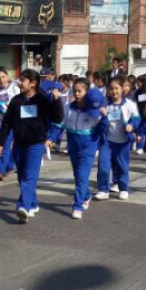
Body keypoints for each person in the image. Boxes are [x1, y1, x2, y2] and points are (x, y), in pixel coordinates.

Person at [0, 69, 63, 224]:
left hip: (36, 144)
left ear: (32, 83)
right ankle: (33, 203)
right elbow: (7, 123)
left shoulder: (43, 99)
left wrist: (57, 100)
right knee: (21, 177)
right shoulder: (16, 100)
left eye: (23, 80)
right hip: (19, 144)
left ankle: (23, 207)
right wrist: (0, 142)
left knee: (29, 176)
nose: (19, 83)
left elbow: (57, 117)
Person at [48, 80, 106, 219]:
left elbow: (101, 129)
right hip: (73, 148)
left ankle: (77, 206)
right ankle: (86, 195)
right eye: (75, 91)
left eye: (80, 91)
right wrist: (51, 138)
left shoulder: (94, 109)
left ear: (87, 93)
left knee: (81, 177)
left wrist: (104, 117)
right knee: (78, 176)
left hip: (88, 148)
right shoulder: (68, 107)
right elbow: (59, 126)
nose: (77, 94)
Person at [96, 77, 140, 202]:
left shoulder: (130, 104)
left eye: (116, 88)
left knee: (122, 166)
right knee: (103, 166)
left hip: (123, 142)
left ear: (122, 89)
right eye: (111, 88)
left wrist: (131, 125)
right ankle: (103, 189)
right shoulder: (104, 104)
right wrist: (102, 114)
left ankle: (123, 188)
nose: (114, 91)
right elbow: (97, 121)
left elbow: (136, 119)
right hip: (107, 141)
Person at [0, 67, 19, 181]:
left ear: (8, 76)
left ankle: (0, 170)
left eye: (3, 77)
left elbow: (16, 105)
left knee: (4, 146)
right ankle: (10, 166)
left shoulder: (14, 88)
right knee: (4, 146)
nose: (1, 80)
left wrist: (1, 106)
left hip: (12, 123)